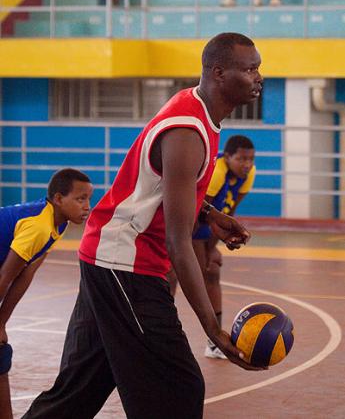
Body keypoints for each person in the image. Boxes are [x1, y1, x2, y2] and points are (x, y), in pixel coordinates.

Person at [24, 32, 264, 419]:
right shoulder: (188, 130)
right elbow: (177, 241)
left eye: (258, 68)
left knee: (79, 390)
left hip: (105, 256)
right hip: (125, 265)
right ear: (219, 73)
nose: (258, 77)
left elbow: (163, 184)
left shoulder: (196, 110)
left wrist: (210, 213)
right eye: (250, 68)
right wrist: (213, 330)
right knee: (178, 386)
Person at [0, 168, 93, 419]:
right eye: (80, 198)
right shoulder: (39, 226)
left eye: (89, 199)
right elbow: (5, 278)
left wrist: (1, 323)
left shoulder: (57, 224)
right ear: (59, 199)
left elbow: (25, 276)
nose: (87, 206)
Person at [195, 135, 256, 359]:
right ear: (228, 157)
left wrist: (215, 245)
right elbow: (199, 212)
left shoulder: (248, 175)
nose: (247, 164)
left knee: (212, 272)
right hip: (190, 222)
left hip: (207, 226)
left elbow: (227, 214)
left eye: (251, 159)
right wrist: (207, 249)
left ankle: (213, 342)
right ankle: (156, 337)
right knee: (173, 279)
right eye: (241, 159)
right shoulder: (217, 172)